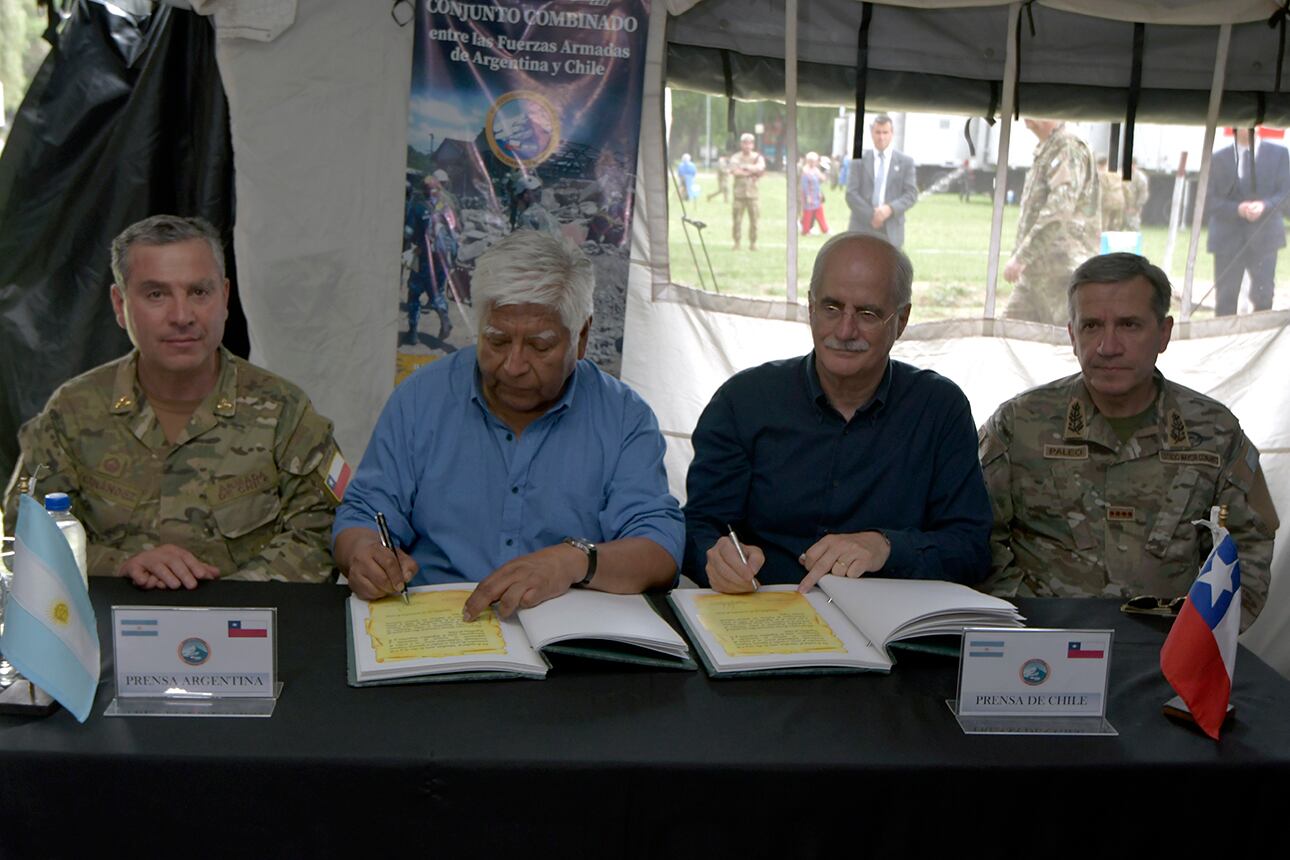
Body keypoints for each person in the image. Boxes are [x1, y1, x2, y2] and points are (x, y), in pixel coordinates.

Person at [334, 230, 682, 618]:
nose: (513, 366)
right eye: (497, 341)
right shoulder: (420, 400)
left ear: (581, 336)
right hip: (436, 626)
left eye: (539, 346)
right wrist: (363, 554)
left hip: (564, 633)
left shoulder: (623, 418)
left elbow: (660, 549)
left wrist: (573, 562)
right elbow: (363, 513)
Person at [2, 215, 344, 588]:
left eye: (199, 292)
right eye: (156, 294)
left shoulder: (284, 410)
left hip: (246, 631)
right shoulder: (72, 411)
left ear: (225, 298)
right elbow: (25, 537)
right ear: (120, 304)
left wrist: (221, 606)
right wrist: (120, 565)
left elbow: (320, 533)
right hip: (107, 635)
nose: (182, 316)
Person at [980, 253, 1278, 631]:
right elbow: (976, 537)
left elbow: (1248, 544)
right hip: (1043, 652)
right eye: (1091, 326)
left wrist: (1206, 634)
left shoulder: (1214, 432)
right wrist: (1021, 621)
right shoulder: (1019, 425)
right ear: (1072, 335)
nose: (1108, 346)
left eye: (1129, 325)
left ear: (1164, 333)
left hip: (1169, 649)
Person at [683, 232, 991, 593]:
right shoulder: (743, 401)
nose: (845, 330)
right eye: (831, 308)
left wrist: (887, 547)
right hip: (763, 619)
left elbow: (972, 549)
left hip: (890, 629)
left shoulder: (939, 408)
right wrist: (716, 559)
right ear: (810, 307)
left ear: (902, 320)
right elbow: (699, 528)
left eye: (867, 313)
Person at [1003, 119, 1100, 325]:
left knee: (1064, 344)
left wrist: (1022, 256)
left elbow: (1059, 209)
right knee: (1007, 335)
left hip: (1061, 272)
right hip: (1035, 272)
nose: (1023, 116)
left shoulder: (1068, 146)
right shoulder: (1048, 147)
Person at [1204, 128, 1290, 316]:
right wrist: (1237, 209)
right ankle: (1224, 340)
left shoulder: (1280, 154)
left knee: (1264, 296)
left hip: (1265, 237)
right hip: (1227, 239)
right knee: (1225, 298)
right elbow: (1207, 200)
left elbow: (1286, 194)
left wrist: (1265, 206)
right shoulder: (1218, 158)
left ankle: (1260, 342)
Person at [844, 114, 919, 248]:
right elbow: (851, 193)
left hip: (892, 229)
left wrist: (889, 209)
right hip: (861, 226)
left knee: (889, 268)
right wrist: (872, 216)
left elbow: (911, 194)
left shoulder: (906, 162)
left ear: (892, 133)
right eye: (878, 132)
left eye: (885, 132)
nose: (881, 137)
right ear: (871, 133)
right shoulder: (858, 161)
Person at [729, 132, 766, 251]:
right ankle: (737, 242)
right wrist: (751, 171)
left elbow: (761, 169)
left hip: (753, 195)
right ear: (741, 144)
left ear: (752, 145)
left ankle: (753, 243)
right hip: (739, 195)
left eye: (749, 143)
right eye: (744, 143)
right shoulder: (736, 157)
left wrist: (745, 168)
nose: (747, 145)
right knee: (737, 221)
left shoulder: (757, 157)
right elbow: (735, 171)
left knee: (754, 221)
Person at [799, 151, 829, 236]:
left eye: (814, 161)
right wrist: (807, 196)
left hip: (816, 195)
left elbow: (820, 181)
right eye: (811, 161)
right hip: (809, 196)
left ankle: (825, 230)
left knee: (820, 213)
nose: (813, 163)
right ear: (808, 161)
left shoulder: (816, 170)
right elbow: (804, 186)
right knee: (808, 214)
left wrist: (819, 192)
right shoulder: (805, 171)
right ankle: (805, 231)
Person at [1097, 156, 1125, 232]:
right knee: (1117, 222)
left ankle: (1104, 239)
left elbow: (1103, 188)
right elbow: (1125, 187)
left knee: (1105, 221)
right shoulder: (1118, 172)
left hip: (1108, 199)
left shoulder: (1102, 174)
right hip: (1120, 198)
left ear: (1099, 165)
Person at [1123, 159, 1150, 230]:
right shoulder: (1121, 174)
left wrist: (1137, 206)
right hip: (1122, 207)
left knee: (1133, 227)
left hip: (1133, 207)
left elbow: (1143, 194)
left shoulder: (1140, 177)